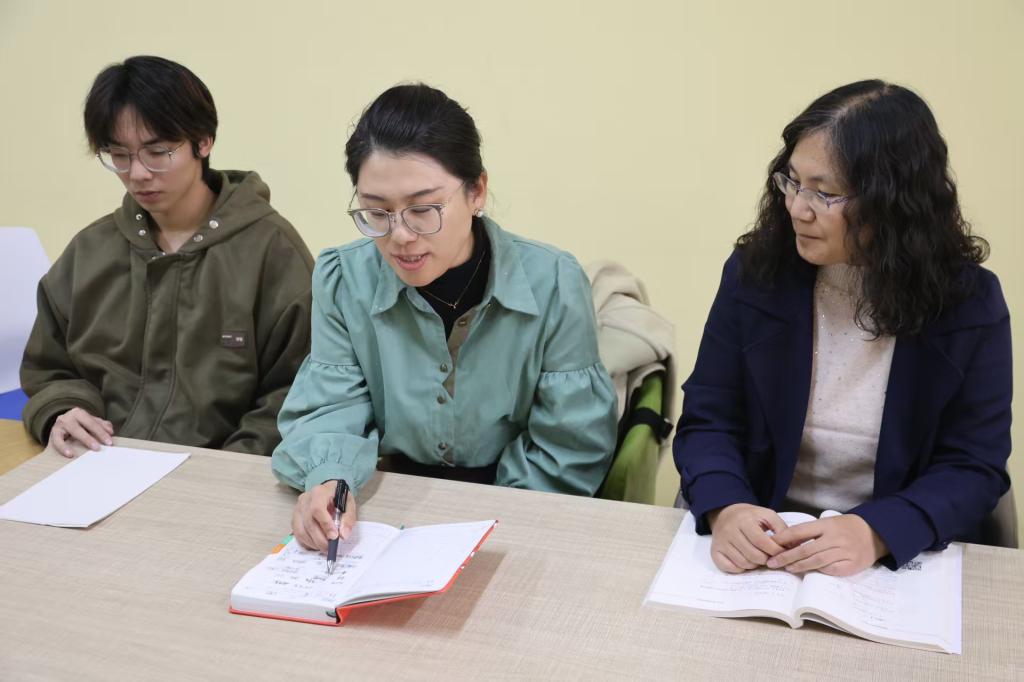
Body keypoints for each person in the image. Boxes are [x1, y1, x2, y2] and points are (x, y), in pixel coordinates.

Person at [674, 80, 1011, 577]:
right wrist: (728, 508)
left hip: (886, 554)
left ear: (894, 201)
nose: (798, 208)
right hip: (767, 539)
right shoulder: (755, 274)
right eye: (792, 182)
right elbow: (709, 418)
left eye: (825, 193)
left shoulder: (969, 304)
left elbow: (973, 466)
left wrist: (876, 531)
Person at [272, 83, 617, 551]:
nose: (400, 235)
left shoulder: (552, 282)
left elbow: (569, 445)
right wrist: (331, 480)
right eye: (377, 211)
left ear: (477, 192)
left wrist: (490, 527)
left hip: (517, 513)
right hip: (386, 508)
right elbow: (331, 409)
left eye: (423, 209)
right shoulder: (343, 279)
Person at [20, 56, 314, 456]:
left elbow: (295, 392)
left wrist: (226, 468)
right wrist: (63, 410)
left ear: (203, 142)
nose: (137, 173)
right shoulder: (90, 250)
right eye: (119, 155)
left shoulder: (273, 251)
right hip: (96, 462)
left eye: (157, 152)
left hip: (221, 472)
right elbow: (48, 368)